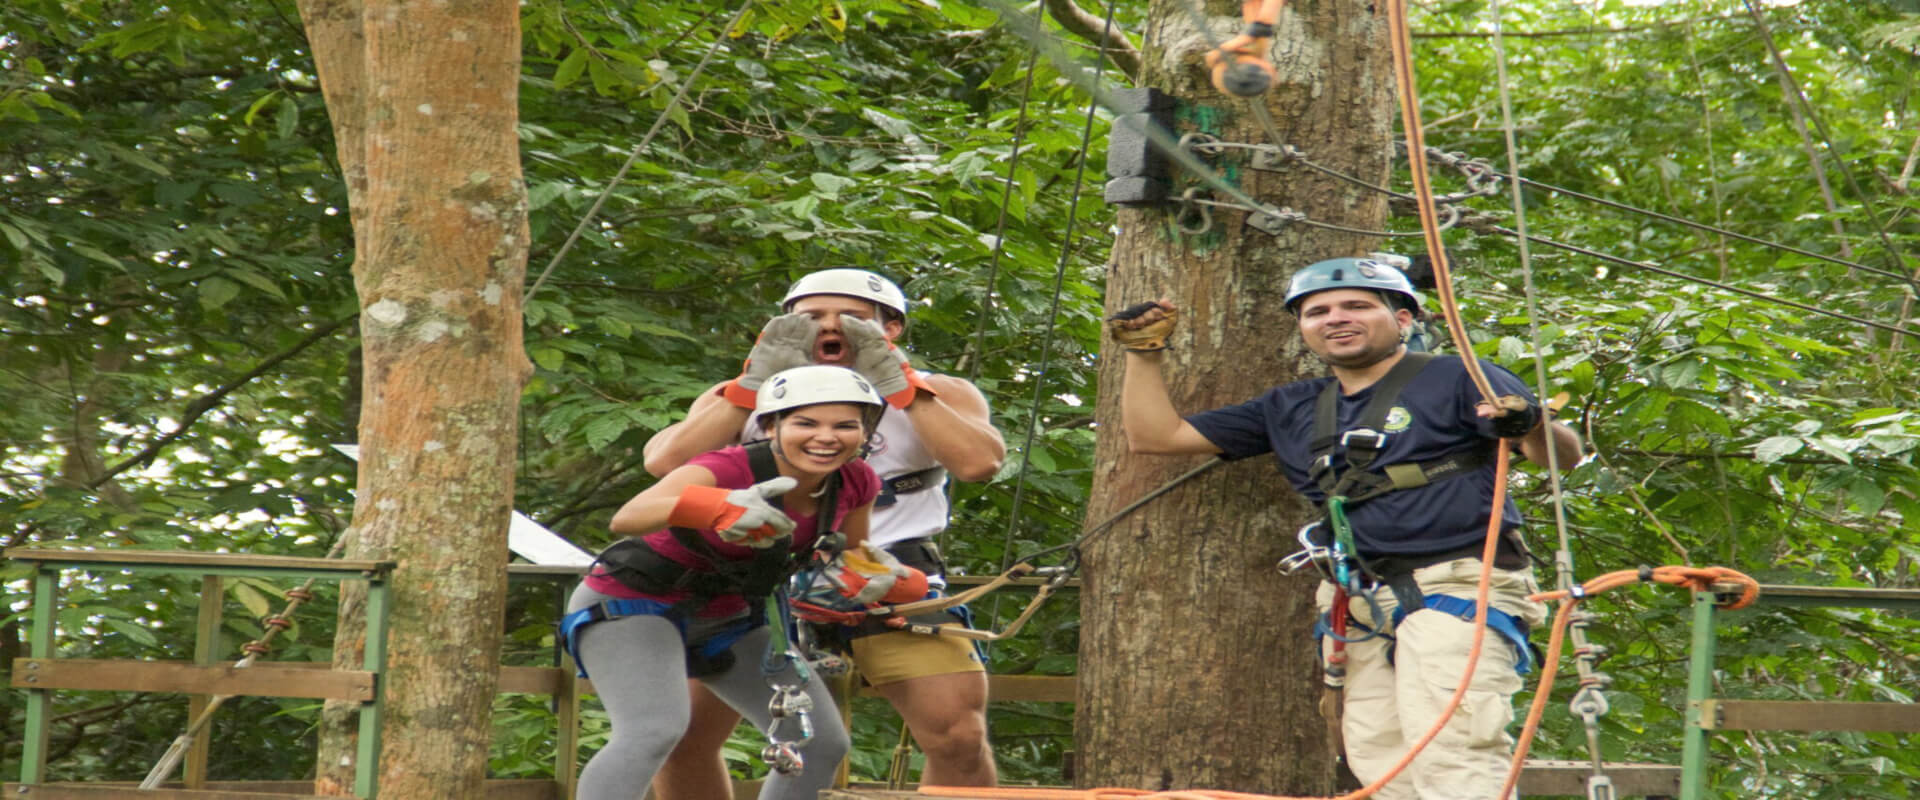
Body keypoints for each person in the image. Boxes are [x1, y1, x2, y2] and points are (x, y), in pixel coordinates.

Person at [1107, 256, 1582, 800]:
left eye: (1357, 305)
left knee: (1456, 752)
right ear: (1304, 329)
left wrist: (1532, 422)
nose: (1336, 318)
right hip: (1359, 599)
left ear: (1403, 319)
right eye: (1318, 311)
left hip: (1457, 581)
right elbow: (1157, 436)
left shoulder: (1455, 376)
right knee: (1380, 762)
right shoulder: (1291, 406)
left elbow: (1559, 457)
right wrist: (1143, 353)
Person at [642, 268, 1006, 797]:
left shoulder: (941, 393)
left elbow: (978, 464)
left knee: (959, 737)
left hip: (889, 573)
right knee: (684, 736)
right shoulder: (745, 397)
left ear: (892, 328)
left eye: (853, 318)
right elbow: (664, 464)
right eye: (811, 317)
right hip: (759, 576)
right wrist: (747, 391)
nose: (830, 326)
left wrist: (902, 386)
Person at [561, 365, 930, 800]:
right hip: (634, 601)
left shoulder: (856, 481)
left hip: (733, 616)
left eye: (845, 426)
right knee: (653, 730)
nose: (826, 437)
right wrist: (719, 506)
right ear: (772, 426)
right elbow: (628, 517)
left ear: (865, 433)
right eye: (805, 423)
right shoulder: (730, 467)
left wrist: (893, 579)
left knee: (821, 743)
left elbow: (849, 552)